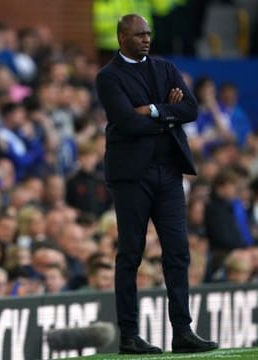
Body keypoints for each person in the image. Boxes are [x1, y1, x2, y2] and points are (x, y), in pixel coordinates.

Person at [95, 14, 218, 354]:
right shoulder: (108, 77)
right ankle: (129, 334)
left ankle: (182, 331)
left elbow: (190, 109)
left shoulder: (164, 67)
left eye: (148, 34)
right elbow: (124, 122)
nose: (146, 39)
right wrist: (168, 113)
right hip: (132, 176)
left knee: (178, 252)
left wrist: (150, 111)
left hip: (168, 171)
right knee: (131, 255)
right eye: (139, 34)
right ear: (122, 37)